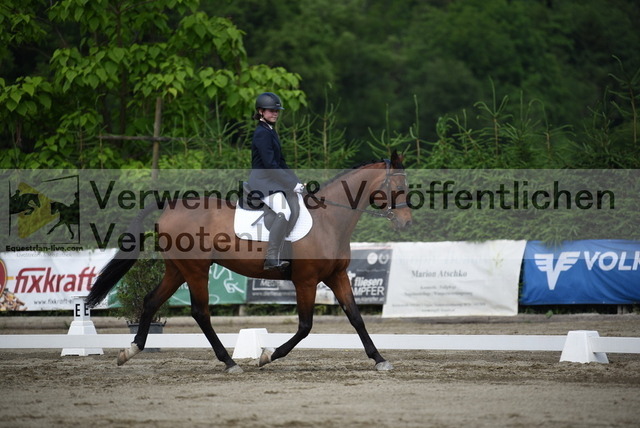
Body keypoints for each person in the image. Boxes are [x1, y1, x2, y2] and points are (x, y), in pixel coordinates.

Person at [248, 92, 304, 271]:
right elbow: (270, 165)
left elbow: (281, 162)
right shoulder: (261, 133)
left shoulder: (270, 130)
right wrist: (291, 184)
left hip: (272, 180)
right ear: (261, 111)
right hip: (262, 182)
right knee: (284, 211)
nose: (275, 113)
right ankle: (271, 257)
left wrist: (297, 182)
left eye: (277, 111)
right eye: (271, 110)